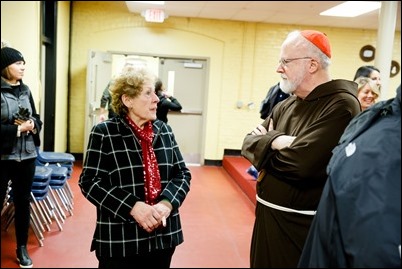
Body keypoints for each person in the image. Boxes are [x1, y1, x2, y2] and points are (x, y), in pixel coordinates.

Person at [241, 29, 361, 268]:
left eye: (285, 61)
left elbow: (302, 165)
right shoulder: (286, 105)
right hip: (267, 218)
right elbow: (247, 144)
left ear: (312, 65)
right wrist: (278, 140)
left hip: (301, 229)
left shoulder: (342, 106)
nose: (278, 68)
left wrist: (267, 143)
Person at [79, 67, 191, 268]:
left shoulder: (163, 130)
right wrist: (132, 207)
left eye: (155, 93)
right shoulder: (105, 133)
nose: (156, 99)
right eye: (148, 93)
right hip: (121, 238)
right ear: (127, 100)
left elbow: (182, 174)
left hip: (162, 235)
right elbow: (90, 183)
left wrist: (166, 204)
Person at [298, 85, 401, 268]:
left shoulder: (377, 121)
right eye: (366, 92)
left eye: (373, 93)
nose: (369, 97)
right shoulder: (380, 137)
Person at [1, 46, 42, 268]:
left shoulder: (26, 90)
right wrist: (17, 130)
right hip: (3, 158)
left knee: (22, 203)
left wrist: (33, 125)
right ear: (5, 67)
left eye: (23, 62)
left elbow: (35, 117)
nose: (23, 66)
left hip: (26, 156)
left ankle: (22, 248)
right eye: (18, 63)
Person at [247, 82, 290, 179]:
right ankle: (255, 168)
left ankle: (254, 168)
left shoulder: (274, 88)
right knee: (269, 145)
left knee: (266, 143)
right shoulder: (285, 91)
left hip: (271, 119)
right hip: (276, 121)